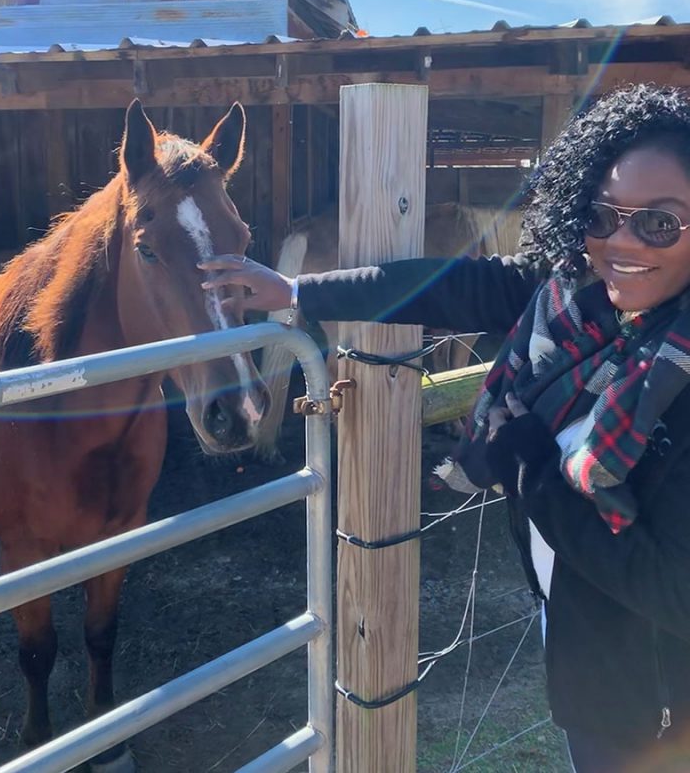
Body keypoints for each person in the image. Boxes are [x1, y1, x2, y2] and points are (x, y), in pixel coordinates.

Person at [200, 84, 690, 773]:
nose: (622, 242)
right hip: (585, 628)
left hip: (658, 689)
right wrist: (300, 291)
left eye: (660, 225)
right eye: (603, 215)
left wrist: (528, 468)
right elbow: (454, 285)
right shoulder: (577, 292)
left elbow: (675, 592)